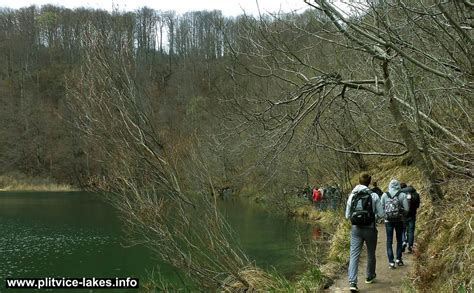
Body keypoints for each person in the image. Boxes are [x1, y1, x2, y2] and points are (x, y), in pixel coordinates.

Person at [345, 173, 383, 292]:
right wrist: (373, 216)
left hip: (356, 229)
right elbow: (381, 214)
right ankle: (369, 276)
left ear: (358, 181)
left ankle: (352, 282)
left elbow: (347, 215)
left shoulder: (352, 195)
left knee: (354, 254)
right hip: (370, 228)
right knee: (371, 253)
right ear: (370, 181)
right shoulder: (374, 196)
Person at [381, 179, 409, 269]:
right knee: (399, 239)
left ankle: (391, 262)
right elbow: (407, 209)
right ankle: (399, 259)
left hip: (388, 221)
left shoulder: (385, 195)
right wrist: (401, 214)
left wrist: (385, 215)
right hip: (399, 220)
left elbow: (381, 208)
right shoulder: (402, 195)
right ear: (398, 186)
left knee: (389, 241)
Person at [401, 183, 420, 253]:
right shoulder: (416, 194)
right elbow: (418, 205)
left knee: (402, 230)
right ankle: (410, 245)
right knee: (411, 231)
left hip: (403, 215)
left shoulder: (401, 194)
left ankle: (403, 242)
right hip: (412, 215)